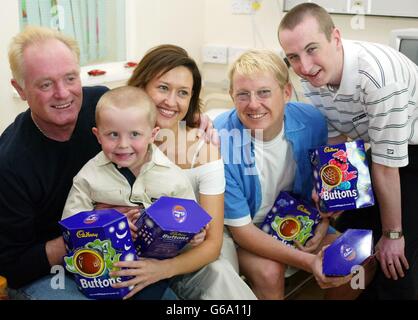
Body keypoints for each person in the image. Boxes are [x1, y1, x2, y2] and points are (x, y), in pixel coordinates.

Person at [278, 3, 418, 299]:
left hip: (411, 150)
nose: (304, 65)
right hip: (379, 151)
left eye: (312, 49)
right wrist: (331, 191)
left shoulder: (379, 78)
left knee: (397, 259)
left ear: (336, 38)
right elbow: (337, 139)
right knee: (351, 239)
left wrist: (393, 234)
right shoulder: (312, 75)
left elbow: (386, 166)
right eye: (293, 57)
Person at [213, 49, 364, 300]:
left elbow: (330, 187)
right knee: (270, 271)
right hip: (244, 233)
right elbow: (242, 232)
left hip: (299, 221)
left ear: (286, 92)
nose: (253, 104)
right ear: (232, 96)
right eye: (242, 94)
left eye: (264, 92)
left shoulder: (313, 121)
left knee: (355, 259)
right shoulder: (221, 141)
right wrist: (308, 261)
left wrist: (322, 223)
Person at [118, 44, 256, 300]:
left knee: (219, 278)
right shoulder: (118, 138)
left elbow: (212, 244)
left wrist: (159, 270)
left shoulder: (204, 150)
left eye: (183, 93)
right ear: (141, 86)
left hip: (200, 255)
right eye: (162, 88)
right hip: (137, 254)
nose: (171, 102)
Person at [61, 85, 201, 299]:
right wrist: (107, 223)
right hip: (101, 270)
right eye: (113, 135)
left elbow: (188, 221)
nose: (123, 145)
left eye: (135, 134)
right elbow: (71, 225)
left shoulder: (173, 178)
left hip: (151, 270)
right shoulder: (88, 176)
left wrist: (194, 235)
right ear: (98, 136)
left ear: (152, 134)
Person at [0, 26, 108, 299]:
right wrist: (91, 228)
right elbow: (13, 266)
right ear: (20, 89)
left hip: (113, 246)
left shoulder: (103, 107)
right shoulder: (9, 163)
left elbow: (151, 118)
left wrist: (193, 121)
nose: (63, 94)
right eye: (46, 84)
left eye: (70, 78)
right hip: (48, 271)